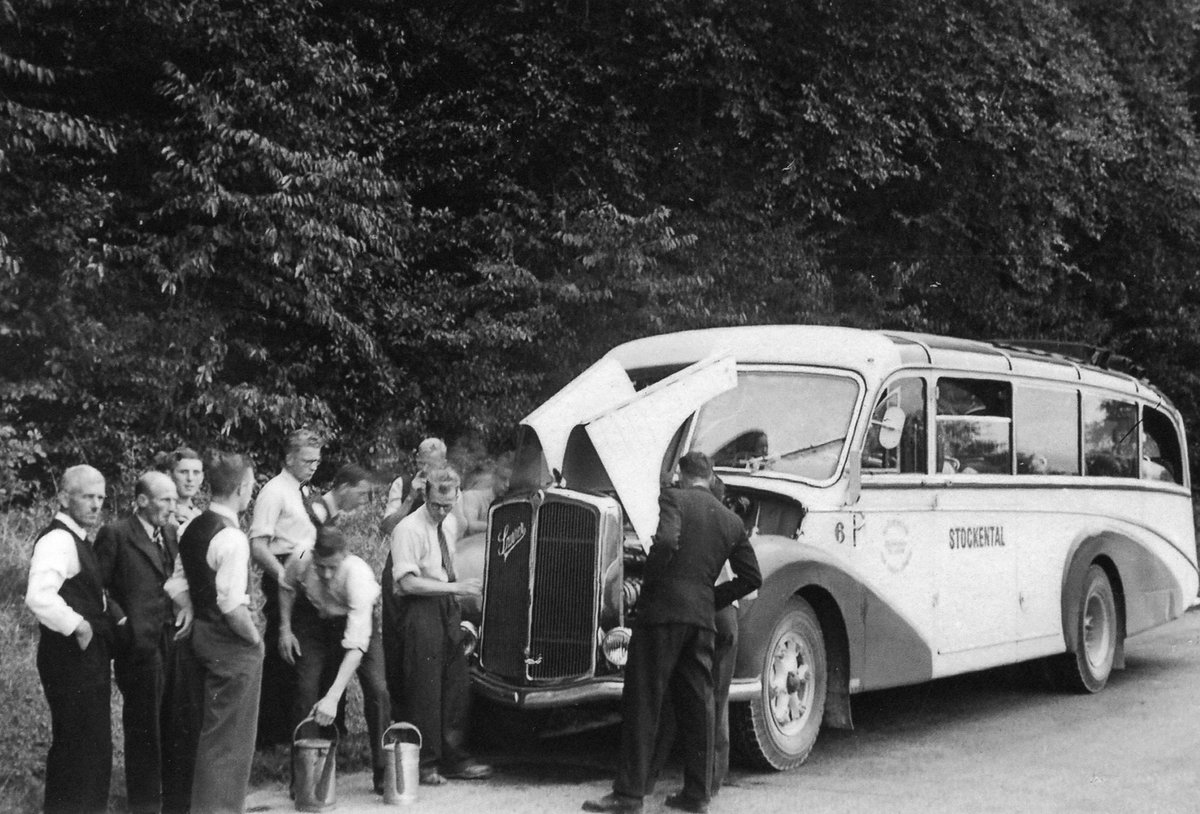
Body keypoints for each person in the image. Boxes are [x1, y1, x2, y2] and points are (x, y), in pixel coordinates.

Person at [583, 452, 761, 814]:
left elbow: (665, 542)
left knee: (644, 701)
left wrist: (654, 582)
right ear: (710, 478)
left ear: (681, 474)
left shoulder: (673, 498)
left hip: (662, 615)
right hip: (701, 621)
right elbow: (752, 578)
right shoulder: (730, 519)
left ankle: (629, 795)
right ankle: (696, 795)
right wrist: (711, 597)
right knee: (698, 706)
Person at [383, 466, 492, 785]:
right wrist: (454, 589)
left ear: (457, 497)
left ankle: (454, 757)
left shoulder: (450, 523)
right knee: (424, 686)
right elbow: (405, 584)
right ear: (424, 496)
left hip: (447, 605)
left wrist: (456, 594)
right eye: (435, 505)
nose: (441, 511)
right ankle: (426, 761)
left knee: (455, 683)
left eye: (448, 505)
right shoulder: (408, 529)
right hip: (420, 607)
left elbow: (450, 566)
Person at [95, 471, 195, 814]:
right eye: (165, 499)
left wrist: (186, 608)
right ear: (141, 501)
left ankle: (177, 803)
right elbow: (99, 590)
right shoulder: (116, 534)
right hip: (139, 647)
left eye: (173, 499)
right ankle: (145, 805)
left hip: (173, 641)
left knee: (175, 723)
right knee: (144, 729)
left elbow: (177, 577)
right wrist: (124, 623)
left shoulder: (170, 532)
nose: (172, 505)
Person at [25, 465, 115, 814]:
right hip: (69, 659)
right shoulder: (58, 540)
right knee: (77, 749)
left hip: (83, 661)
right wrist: (79, 625)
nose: (96, 504)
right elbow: (38, 596)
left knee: (88, 748)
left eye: (100, 497)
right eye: (87, 496)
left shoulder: (76, 537)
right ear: (63, 497)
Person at [178, 451, 264, 813]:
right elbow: (232, 606)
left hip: (201, 635)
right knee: (231, 739)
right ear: (243, 487)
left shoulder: (194, 526)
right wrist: (255, 639)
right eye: (252, 484)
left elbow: (180, 583)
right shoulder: (231, 538)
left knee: (213, 734)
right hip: (230, 645)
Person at [279, 526, 392, 794]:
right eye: (320, 567)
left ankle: (383, 772)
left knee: (378, 689)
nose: (326, 574)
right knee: (305, 688)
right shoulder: (302, 554)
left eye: (333, 567)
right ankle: (305, 775)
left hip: (355, 625)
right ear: (314, 556)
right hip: (316, 622)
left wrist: (332, 696)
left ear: (345, 556)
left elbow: (355, 647)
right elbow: (286, 586)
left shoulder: (358, 575)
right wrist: (285, 628)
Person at [249, 429, 322, 746]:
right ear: (289, 458)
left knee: (301, 653)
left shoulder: (304, 490)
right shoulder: (274, 491)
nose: (313, 466)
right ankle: (269, 734)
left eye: (317, 460)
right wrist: (282, 576)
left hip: (306, 570)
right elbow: (258, 544)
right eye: (307, 460)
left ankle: (292, 727)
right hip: (283, 573)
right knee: (282, 653)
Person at [380, 437, 446, 536]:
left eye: (431, 465)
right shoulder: (401, 484)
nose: (424, 469)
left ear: (442, 464)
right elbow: (387, 528)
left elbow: (459, 529)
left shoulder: (452, 489)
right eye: (421, 463)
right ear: (417, 458)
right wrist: (410, 498)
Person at [305, 463, 373, 528]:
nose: (362, 501)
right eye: (360, 494)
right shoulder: (319, 512)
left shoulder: (329, 514)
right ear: (344, 488)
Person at [456, 457, 511, 535]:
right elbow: (471, 525)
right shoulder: (473, 496)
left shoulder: (513, 502)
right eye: (503, 479)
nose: (507, 484)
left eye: (510, 480)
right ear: (494, 477)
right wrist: (502, 527)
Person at [157, 447, 205, 532]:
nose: (190, 478)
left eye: (196, 473)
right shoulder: (156, 514)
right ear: (168, 475)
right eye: (183, 472)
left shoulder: (202, 515)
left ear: (201, 478)